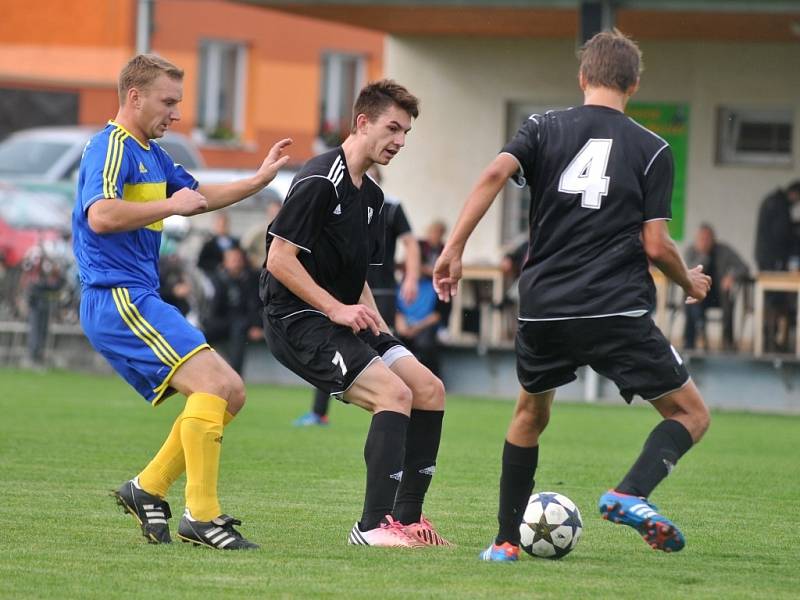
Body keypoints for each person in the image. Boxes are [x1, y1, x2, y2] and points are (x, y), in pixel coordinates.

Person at [433, 29, 711, 562]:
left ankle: (505, 542)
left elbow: (495, 172)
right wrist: (688, 282)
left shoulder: (542, 127)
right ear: (633, 84)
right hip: (614, 308)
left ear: (583, 78)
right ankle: (630, 492)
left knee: (529, 415)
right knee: (690, 415)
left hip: (542, 308)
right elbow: (655, 244)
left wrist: (454, 247)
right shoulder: (653, 149)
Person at [71, 53, 291, 550]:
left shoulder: (152, 153)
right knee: (215, 384)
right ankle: (202, 516)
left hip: (138, 296)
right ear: (134, 96)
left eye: (179, 103)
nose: (176, 113)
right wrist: (170, 205)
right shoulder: (111, 147)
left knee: (230, 391)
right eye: (168, 102)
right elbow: (101, 215)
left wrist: (259, 180)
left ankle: (147, 486)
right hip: (116, 296)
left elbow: (201, 197)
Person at [261, 79, 450, 547]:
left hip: (342, 316)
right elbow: (278, 259)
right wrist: (335, 308)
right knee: (393, 393)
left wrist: (380, 328)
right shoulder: (320, 179)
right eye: (392, 128)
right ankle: (371, 527)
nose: (400, 141)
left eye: (406, 132)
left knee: (428, 388)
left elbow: (356, 276)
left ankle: (408, 522)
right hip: (296, 320)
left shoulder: (374, 198)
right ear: (362, 122)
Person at [293, 165, 422, 427]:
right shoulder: (338, 197)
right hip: (345, 290)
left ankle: (393, 403)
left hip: (380, 290)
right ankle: (319, 412)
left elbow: (411, 243)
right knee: (332, 343)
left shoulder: (390, 206)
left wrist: (410, 277)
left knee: (384, 344)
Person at [683, 223, 749, 351]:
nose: (705, 242)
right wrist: (703, 256)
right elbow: (687, 272)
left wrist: (732, 277)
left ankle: (727, 342)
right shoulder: (691, 251)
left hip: (720, 295)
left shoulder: (723, 251)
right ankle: (693, 339)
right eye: (701, 239)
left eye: (707, 239)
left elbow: (743, 267)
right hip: (699, 296)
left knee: (729, 299)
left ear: (713, 239)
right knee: (690, 298)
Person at [754, 180, 800, 351]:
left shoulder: (772, 200)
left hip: (765, 258)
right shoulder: (780, 205)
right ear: (794, 193)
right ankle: (770, 340)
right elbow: (781, 234)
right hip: (773, 261)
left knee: (771, 300)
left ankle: (770, 339)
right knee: (775, 300)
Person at [202, 246, 262, 375]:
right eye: (233, 259)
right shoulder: (216, 280)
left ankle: (235, 374)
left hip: (241, 323)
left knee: (239, 328)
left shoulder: (251, 279)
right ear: (225, 261)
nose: (236, 262)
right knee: (199, 335)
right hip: (218, 321)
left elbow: (255, 304)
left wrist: (256, 325)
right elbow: (211, 308)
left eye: (238, 259)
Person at [395, 277, 443, 377]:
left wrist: (416, 328)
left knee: (425, 345)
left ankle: (431, 378)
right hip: (405, 329)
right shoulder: (399, 286)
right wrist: (401, 326)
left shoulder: (435, 287)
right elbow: (397, 311)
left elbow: (437, 315)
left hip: (425, 328)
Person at [242, 198, 283, 272]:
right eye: (273, 211)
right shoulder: (259, 230)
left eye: (277, 211)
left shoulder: (285, 232)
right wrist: (254, 260)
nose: (275, 214)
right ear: (268, 212)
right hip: (260, 269)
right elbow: (244, 246)